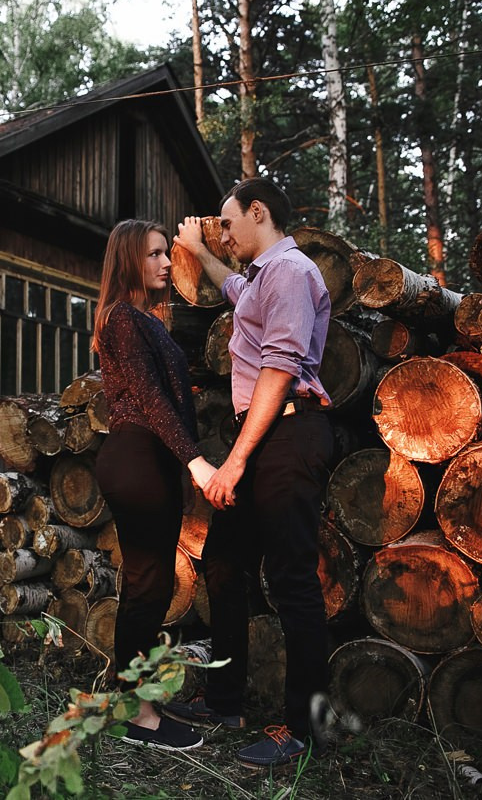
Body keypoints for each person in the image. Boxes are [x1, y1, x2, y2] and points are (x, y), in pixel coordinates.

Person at [162, 178, 335, 767]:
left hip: (287, 431)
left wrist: (235, 461)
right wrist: (200, 252)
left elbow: (279, 368)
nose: (224, 234)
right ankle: (226, 700)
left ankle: (305, 730)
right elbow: (237, 290)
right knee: (223, 561)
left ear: (258, 212)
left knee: (292, 580)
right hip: (265, 433)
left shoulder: (289, 272)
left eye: (228, 223)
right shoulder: (264, 278)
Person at [91, 219, 218, 752]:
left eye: (167, 253)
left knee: (153, 584)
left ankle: (134, 702)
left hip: (149, 459)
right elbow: (150, 398)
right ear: (128, 260)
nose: (167, 263)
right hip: (136, 455)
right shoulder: (122, 317)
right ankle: (136, 713)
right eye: (154, 254)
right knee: (149, 585)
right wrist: (196, 462)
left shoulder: (146, 318)